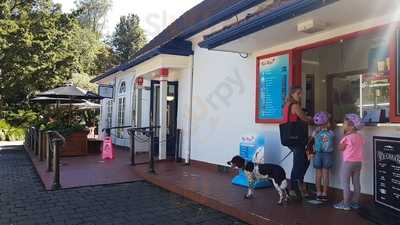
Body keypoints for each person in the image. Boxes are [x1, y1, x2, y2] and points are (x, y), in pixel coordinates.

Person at [282, 86, 312, 200]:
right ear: (292, 94)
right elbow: (305, 119)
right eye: (298, 93)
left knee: (304, 160)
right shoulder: (295, 106)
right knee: (299, 162)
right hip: (296, 139)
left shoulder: (286, 106)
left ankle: (299, 183)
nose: (300, 95)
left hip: (289, 138)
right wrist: (314, 118)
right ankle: (294, 188)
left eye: (301, 93)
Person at [334, 113, 364, 210]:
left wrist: (343, 137)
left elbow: (340, 148)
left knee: (345, 182)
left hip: (348, 163)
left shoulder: (347, 137)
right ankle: (355, 202)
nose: (343, 125)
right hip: (358, 163)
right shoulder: (359, 136)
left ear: (351, 126)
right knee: (356, 182)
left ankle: (346, 203)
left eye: (344, 124)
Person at [311, 112, 335, 202]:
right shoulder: (331, 132)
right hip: (326, 154)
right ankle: (323, 193)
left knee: (320, 174)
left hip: (319, 154)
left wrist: (317, 132)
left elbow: (312, 138)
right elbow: (332, 137)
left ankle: (320, 193)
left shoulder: (316, 132)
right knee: (324, 174)